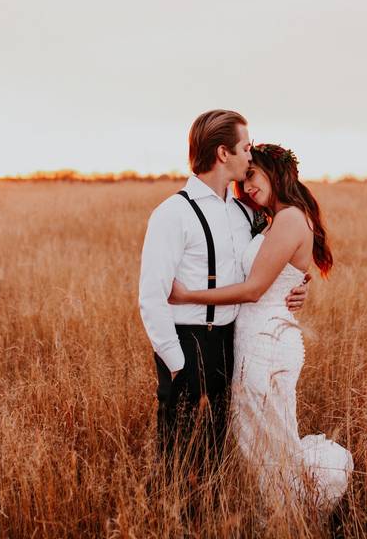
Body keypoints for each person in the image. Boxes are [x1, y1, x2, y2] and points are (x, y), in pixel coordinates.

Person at [168, 142, 353, 513]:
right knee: (260, 441)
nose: (247, 187)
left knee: (269, 442)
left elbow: (254, 290)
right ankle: (279, 515)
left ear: (274, 170)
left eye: (251, 175)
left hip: (268, 345)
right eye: (243, 180)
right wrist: (298, 284)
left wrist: (188, 295)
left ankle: (289, 515)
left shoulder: (289, 219)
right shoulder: (277, 218)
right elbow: (279, 273)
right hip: (258, 339)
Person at [138, 110, 310, 479]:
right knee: (176, 457)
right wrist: (176, 362)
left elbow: (267, 266)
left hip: (233, 344)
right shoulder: (172, 213)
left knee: (214, 453)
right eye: (245, 148)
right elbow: (151, 295)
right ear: (222, 153)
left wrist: (298, 286)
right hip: (188, 342)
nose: (250, 156)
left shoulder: (245, 215)